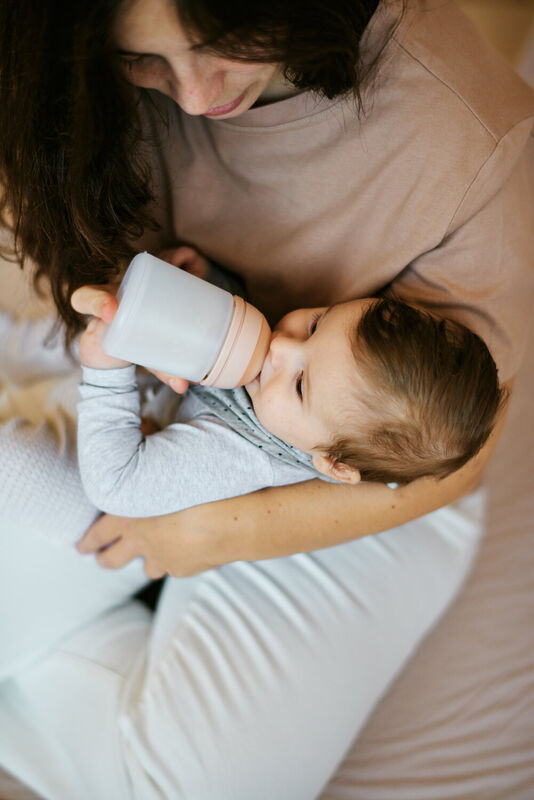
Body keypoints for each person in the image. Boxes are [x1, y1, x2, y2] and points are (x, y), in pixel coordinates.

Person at [0, 0, 532, 797]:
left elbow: (450, 453)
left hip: (376, 492)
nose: (190, 96)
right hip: (173, 398)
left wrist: (219, 531)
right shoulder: (84, 81)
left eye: (220, 48)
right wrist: (192, 287)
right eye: (141, 62)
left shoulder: (465, 143)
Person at [73, 253, 505, 523]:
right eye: (316, 325)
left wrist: (106, 378)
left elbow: (116, 486)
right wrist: (210, 283)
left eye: (300, 385)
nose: (280, 345)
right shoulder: (292, 392)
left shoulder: (240, 454)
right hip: (146, 404)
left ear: (332, 463)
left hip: (101, 502)